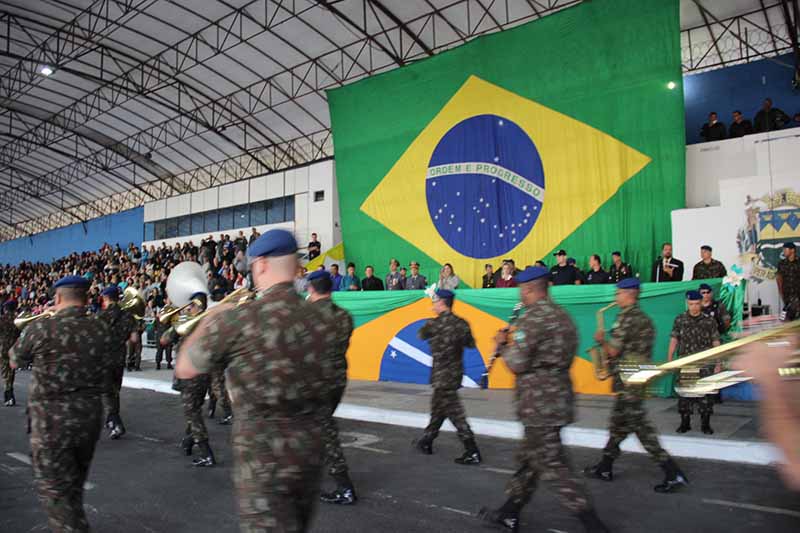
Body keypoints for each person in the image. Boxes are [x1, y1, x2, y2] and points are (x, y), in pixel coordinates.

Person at [176, 229, 336, 531]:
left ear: (260, 264)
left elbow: (186, 367)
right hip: (311, 451)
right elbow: (334, 386)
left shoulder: (241, 318)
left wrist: (210, 319)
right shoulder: (326, 319)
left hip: (264, 460)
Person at [478, 267, 609, 533]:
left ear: (528, 289)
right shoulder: (564, 317)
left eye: (521, 290)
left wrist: (503, 345)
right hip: (559, 397)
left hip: (538, 404)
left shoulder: (532, 319)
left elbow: (517, 363)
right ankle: (509, 513)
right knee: (530, 460)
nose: (520, 294)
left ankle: (594, 526)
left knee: (553, 465)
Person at [9, 275, 114, 532]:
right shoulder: (101, 328)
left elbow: (14, 360)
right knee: (74, 487)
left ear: (56, 298)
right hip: (89, 418)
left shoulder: (41, 329)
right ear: (87, 298)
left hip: (51, 423)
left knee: (56, 496)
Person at [584, 278, 688, 493]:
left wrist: (601, 340)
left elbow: (613, 351)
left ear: (629, 293)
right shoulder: (644, 318)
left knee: (640, 426)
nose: (616, 297)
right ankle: (605, 466)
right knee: (617, 424)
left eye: (618, 293)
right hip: (636, 375)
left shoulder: (627, 317)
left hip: (628, 378)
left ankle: (672, 472)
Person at [307, 269, 357, 505]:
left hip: (315, 380)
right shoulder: (345, 316)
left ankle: (344, 486)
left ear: (311, 288)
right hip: (338, 378)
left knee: (323, 428)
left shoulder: (306, 315)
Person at [413, 288, 481, 465]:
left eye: (435, 301)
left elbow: (420, 335)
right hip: (455, 374)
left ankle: (472, 450)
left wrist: (433, 318)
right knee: (438, 408)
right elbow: (471, 344)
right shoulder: (462, 324)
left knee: (455, 414)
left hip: (441, 376)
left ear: (442, 303)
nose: (433, 304)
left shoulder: (433, 324)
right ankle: (427, 440)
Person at [164, 293, 216, 467]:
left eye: (191, 306)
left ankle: (206, 453)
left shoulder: (187, 324)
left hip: (190, 375)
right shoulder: (209, 323)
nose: (188, 309)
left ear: (198, 307)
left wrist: (174, 323)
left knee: (192, 413)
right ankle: (188, 441)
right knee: (193, 410)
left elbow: (165, 339)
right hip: (203, 374)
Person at [667, 291, 721, 434]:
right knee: (685, 395)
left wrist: (718, 363)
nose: (694, 307)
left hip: (705, 364)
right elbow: (674, 339)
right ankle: (685, 423)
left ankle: (705, 424)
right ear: (687, 303)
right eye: (691, 304)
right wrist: (670, 358)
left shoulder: (709, 321)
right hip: (687, 363)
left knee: (706, 395)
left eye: (697, 304)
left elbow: (716, 341)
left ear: (701, 303)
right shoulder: (680, 319)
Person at [97, 285, 138, 440]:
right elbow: (134, 339)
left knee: (107, 393)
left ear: (106, 298)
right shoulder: (128, 316)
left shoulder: (100, 315)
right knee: (114, 391)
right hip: (119, 358)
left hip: (104, 359)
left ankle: (115, 422)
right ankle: (112, 420)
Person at [1, 300, 20, 406]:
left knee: (5, 372)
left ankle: (8, 395)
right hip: (14, 348)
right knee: (11, 372)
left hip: (2, 348)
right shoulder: (18, 320)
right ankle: (10, 394)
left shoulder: (2, 319)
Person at [777, 242, 800, 320]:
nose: (783, 251)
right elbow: (779, 279)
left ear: (792, 250)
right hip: (787, 295)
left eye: (785, 249)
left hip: (797, 294)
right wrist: (781, 292)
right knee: (789, 318)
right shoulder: (782, 264)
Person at [154, 301, 174, 370]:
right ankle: (166, 364)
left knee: (162, 350)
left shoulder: (159, 318)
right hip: (165, 334)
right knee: (166, 350)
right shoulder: (168, 318)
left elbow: (154, 327)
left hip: (162, 334)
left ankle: (159, 364)